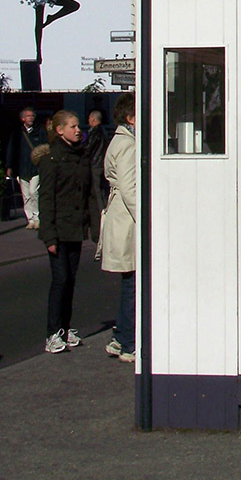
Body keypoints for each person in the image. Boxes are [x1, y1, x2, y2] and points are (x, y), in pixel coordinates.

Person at [38, 109, 92, 354]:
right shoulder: (52, 159)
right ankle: (52, 333)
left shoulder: (81, 155)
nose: (77, 130)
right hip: (58, 230)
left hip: (75, 227)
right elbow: (46, 199)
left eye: (78, 126)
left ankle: (66, 328)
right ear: (59, 130)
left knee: (70, 280)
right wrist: (49, 235)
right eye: (72, 126)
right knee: (60, 280)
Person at [101, 93, 137, 364]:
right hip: (127, 220)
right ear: (131, 118)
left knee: (130, 280)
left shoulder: (120, 140)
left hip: (121, 216)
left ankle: (121, 337)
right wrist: (146, 217)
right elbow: (129, 187)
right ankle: (128, 342)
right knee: (133, 281)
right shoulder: (128, 145)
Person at [5, 106, 45, 229]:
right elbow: (11, 149)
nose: (31, 118)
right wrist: (9, 165)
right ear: (23, 118)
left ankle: (37, 217)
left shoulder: (40, 131)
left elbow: (45, 147)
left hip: (35, 168)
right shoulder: (17, 132)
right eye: (28, 116)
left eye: (32, 115)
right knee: (26, 195)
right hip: (22, 168)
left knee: (34, 192)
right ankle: (30, 219)